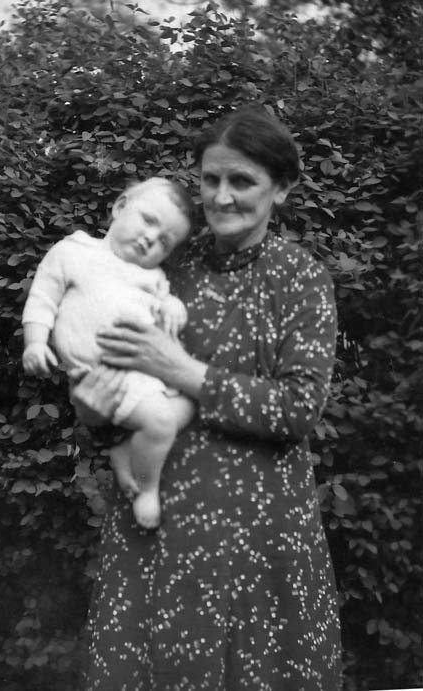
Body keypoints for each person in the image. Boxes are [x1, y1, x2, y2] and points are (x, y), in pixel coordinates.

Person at [75, 107, 343, 690]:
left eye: (242, 181)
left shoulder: (300, 279)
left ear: (282, 188)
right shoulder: (166, 266)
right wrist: (92, 409)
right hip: (161, 525)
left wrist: (183, 369)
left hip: (261, 530)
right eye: (210, 179)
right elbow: (104, 382)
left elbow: (298, 410)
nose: (221, 197)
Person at [22, 177, 196, 529]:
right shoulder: (76, 252)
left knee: (188, 406)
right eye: (149, 220)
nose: (151, 238)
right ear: (119, 207)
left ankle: (127, 447)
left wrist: (174, 305)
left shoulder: (152, 276)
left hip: (147, 373)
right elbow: (43, 297)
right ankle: (147, 488)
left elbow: (165, 302)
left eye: (165, 241)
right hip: (102, 372)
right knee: (161, 423)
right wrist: (35, 342)